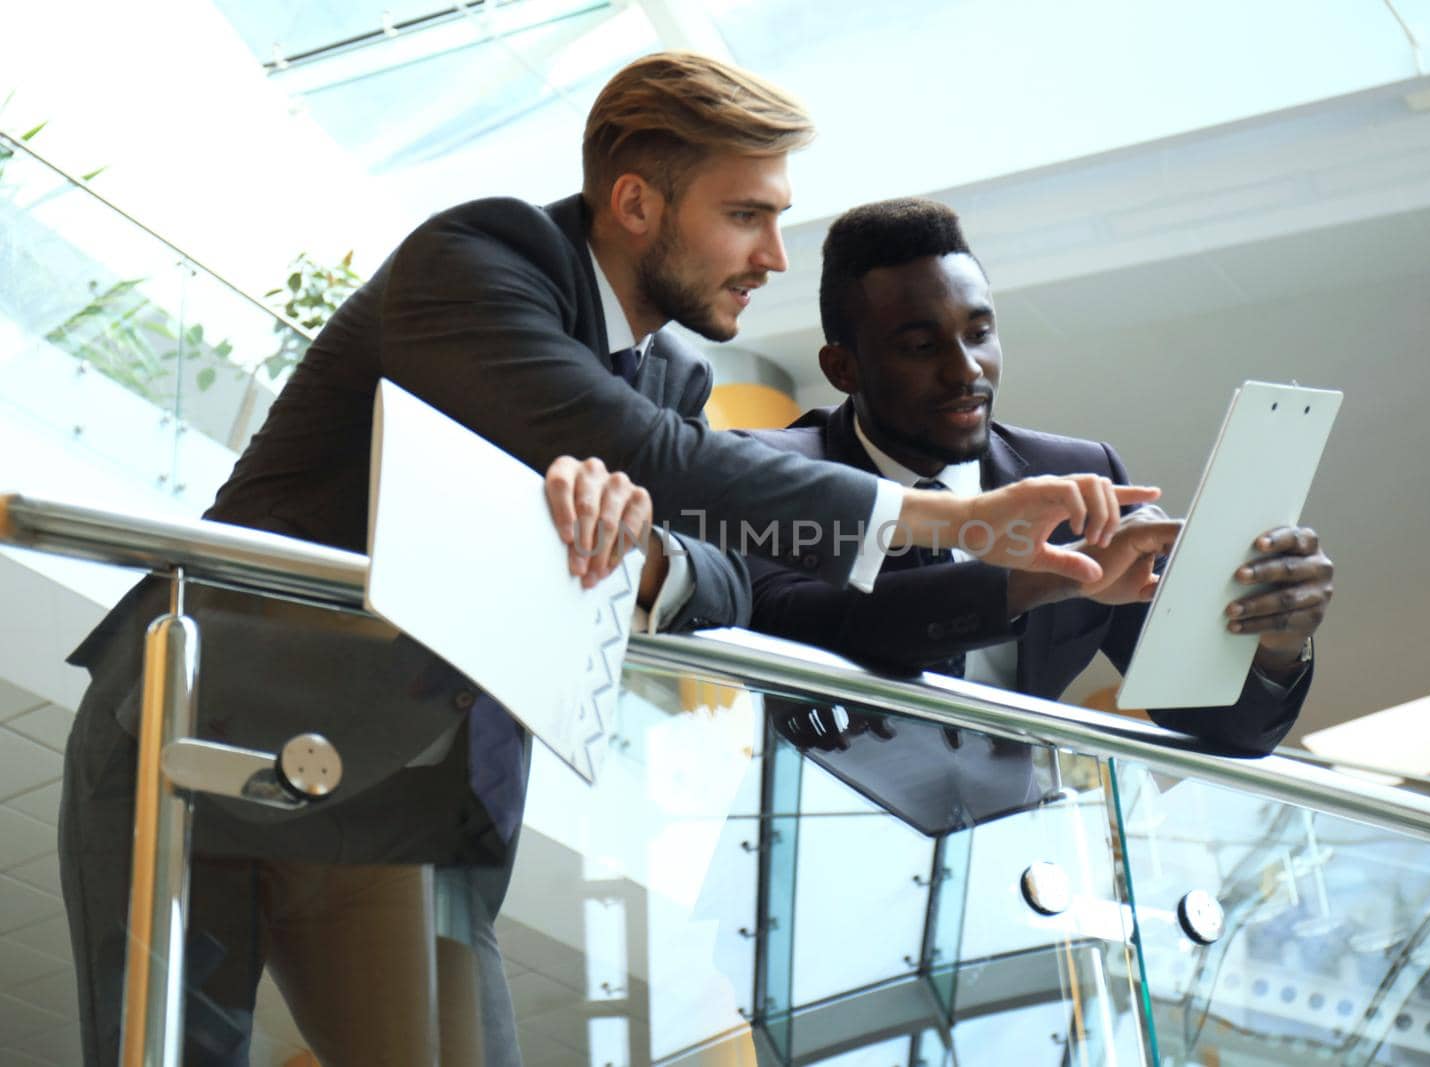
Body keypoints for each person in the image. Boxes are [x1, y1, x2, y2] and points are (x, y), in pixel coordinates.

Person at [59, 58, 1159, 1066]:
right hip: (203, 714)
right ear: (636, 203)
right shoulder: (478, 261)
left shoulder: (671, 378)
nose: (774, 255)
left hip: (401, 791)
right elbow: (654, 455)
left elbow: (722, 569)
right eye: (746, 216)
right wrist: (955, 521)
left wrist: (648, 554)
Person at [745, 198, 1333, 756]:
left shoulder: (1081, 474)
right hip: (812, 830)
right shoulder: (772, 474)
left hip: (1015, 839)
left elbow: (1225, 729)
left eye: (979, 333)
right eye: (922, 346)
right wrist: (1053, 578)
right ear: (843, 368)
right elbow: (805, 622)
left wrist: (1277, 643)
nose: (966, 369)